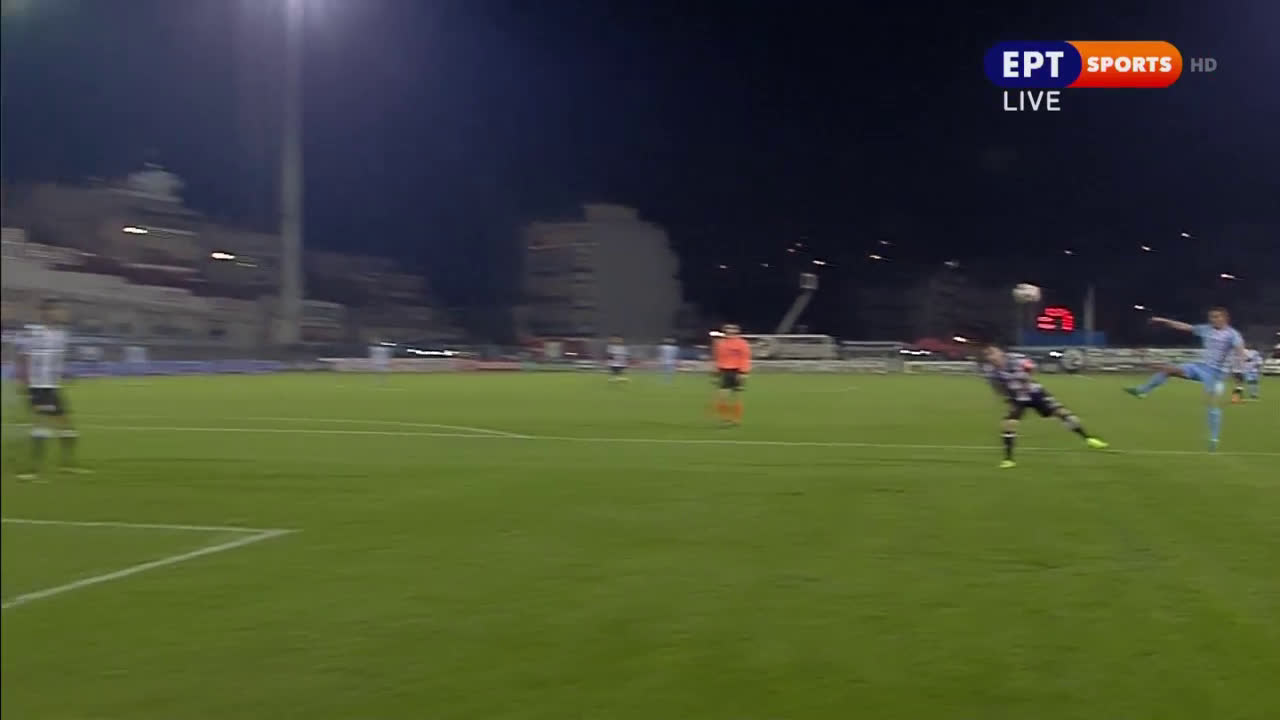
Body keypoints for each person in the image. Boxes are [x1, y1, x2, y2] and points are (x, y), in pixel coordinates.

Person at [1124, 308, 1245, 450]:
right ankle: (1142, 391)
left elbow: (1240, 351)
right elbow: (1183, 326)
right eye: (1211, 317)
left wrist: (1239, 372)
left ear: (1225, 318)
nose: (1213, 319)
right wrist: (1162, 320)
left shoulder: (1232, 334)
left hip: (1216, 374)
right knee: (1169, 370)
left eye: (1216, 317)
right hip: (1200, 367)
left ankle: (1214, 438)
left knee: (1212, 404)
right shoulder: (1206, 329)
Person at [979, 344, 1108, 469]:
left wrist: (1026, 378)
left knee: (1062, 413)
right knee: (1008, 425)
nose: (991, 357)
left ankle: (1089, 439)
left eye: (993, 353)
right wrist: (1008, 398)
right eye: (988, 355)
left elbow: (1031, 367)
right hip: (1017, 398)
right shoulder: (990, 371)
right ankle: (1008, 460)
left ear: (1000, 352)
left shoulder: (1015, 358)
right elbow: (997, 387)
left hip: (1034, 393)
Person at [15, 300, 90, 480]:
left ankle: (67, 466)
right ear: (45, 313)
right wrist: (24, 382)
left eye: (59, 310)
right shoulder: (33, 332)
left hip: (53, 386)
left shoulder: (61, 335)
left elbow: (57, 360)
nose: (59, 314)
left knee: (67, 425)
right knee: (41, 424)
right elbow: (23, 358)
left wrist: (64, 374)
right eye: (56, 310)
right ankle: (33, 470)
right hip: (38, 386)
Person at [712, 324, 751, 426]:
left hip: (736, 371)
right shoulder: (721, 343)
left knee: (735, 397)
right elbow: (719, 359)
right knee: (722, 396)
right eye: (728, 329)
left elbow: (744, 358)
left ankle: (736, 419)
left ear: (737, 331)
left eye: (732, 329)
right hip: (725, 371)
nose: (730, 331)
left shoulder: (741, 343)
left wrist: (743, 373)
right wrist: (716, 374)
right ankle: (725, 418)